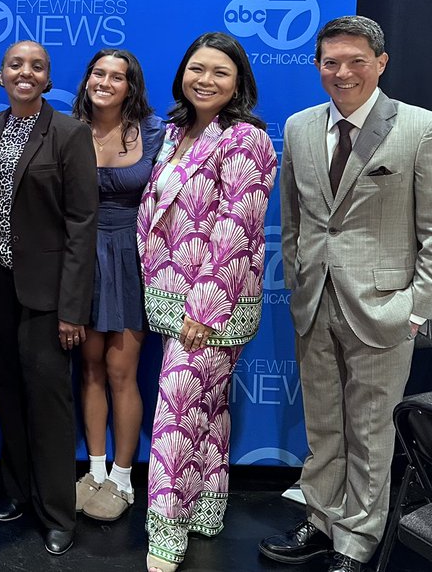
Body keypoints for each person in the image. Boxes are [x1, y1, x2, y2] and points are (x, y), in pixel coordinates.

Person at [259, 16, 432, 572]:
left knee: (372, 430)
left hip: (385, 309)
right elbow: (294, 216)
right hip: (313, 302)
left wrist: (418, 308)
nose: (343, 72)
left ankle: (356, 539)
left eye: (356, 60)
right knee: (324, 423)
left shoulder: (423, 128)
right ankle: (321, 519)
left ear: (381, 63)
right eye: (331, 62)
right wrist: (301, 275)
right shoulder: (302, 127)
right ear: (317, 66)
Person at [139, 32, 277, 572]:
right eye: (197, 68)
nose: (206, 80)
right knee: (208, 409)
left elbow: (237, 229)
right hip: (169, 296)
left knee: (176, 414)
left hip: (211, 305)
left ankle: (165, 536)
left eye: (220, 72)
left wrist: (205, 307)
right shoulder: (175, 132)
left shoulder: (245, 139)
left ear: (239, 81)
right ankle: (206, 509)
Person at [0, 41, 97, 556]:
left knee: (49, 398)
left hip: (48, 293)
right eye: (16, 65)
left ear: (48, 79)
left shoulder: (70, 133)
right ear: (0, 74)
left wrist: (73, 308)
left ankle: (56, 511)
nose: (25, 73)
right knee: (5, 389)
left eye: (37, 66)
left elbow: (81, 224)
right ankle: (17, 491)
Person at [70, 49, 164, 522]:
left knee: (121, 370)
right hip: (81, 258)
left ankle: (124, 478)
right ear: (87, 79)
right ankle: (94, 469)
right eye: (98, 73)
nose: (105, 81)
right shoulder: (67, 129)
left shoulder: (155, 132)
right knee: (88, 369)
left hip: (132, 258)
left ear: (131, 86)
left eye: (117, 76)